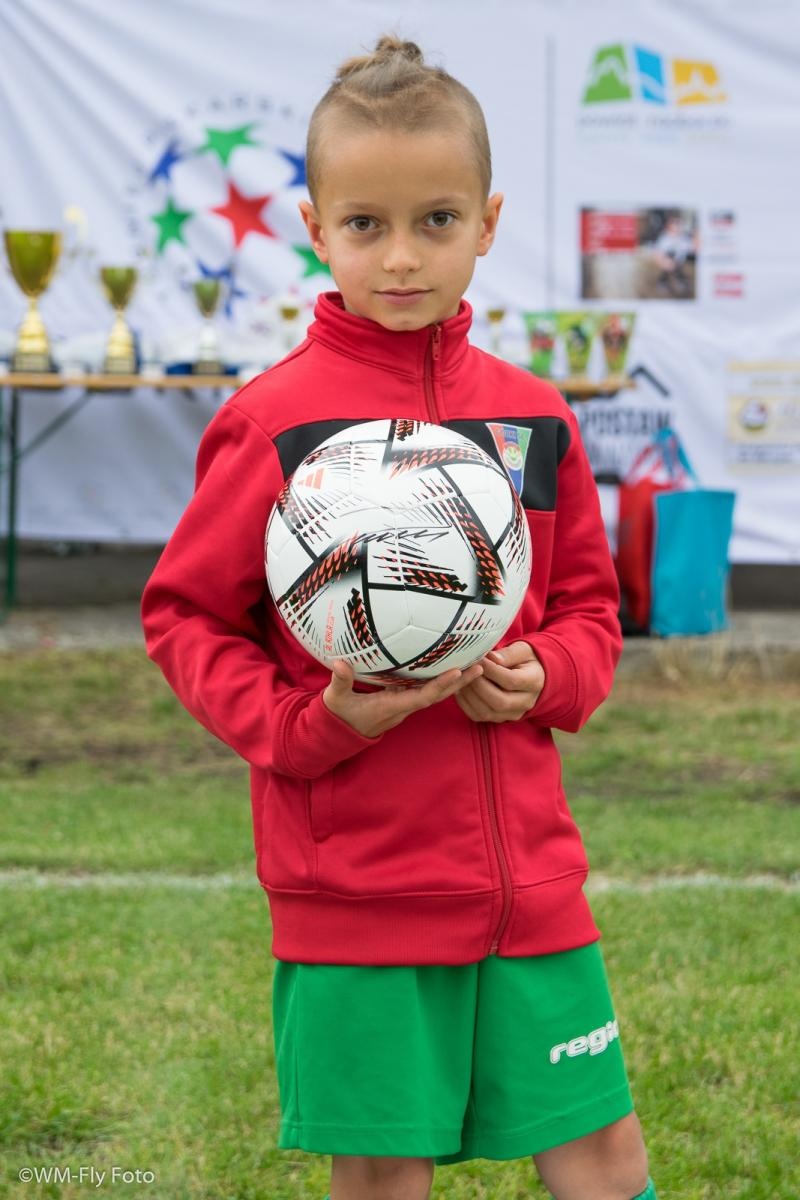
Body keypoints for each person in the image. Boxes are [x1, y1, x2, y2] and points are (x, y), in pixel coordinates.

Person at [140, 32, 658, 1200]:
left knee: (602, 1155)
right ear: (314, 229)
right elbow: (185, 618)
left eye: (435, 219)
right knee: (383, 1173)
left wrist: (553, 675)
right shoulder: (275, 422)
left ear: (486, 221)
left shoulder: (530, 421)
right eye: (364, 224)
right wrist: (307, 725)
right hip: (354, 891)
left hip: (530, 884)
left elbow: (585, 605)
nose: (402, 254)